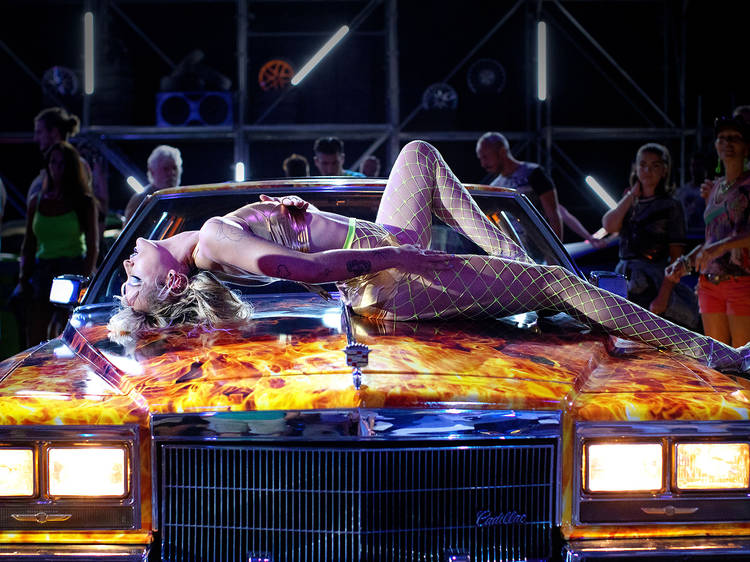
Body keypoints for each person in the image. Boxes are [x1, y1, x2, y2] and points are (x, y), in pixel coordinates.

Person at [109, 140, 750, 373]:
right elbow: (301, 271)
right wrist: (408, 262)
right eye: (133, 283)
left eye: (126, 279)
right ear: (170, 286)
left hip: (382, 258)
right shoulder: (215, 240)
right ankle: (717, 353)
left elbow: (297, 254)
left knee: (417, 154)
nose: (130, 266)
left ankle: (513, 263)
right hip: (390, 280)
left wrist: (290, 217)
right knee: (558, 283)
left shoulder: (216, 237)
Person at [666, 116, 750, 347]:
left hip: (741, 281)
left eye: (735, 138)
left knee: (742, 362)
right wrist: (685, 262)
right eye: (722, 138)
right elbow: (711, 240)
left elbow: (720, 243)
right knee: (717, 362)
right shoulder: (715, 188)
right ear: (715, 145)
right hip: (709, 283)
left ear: (746, 147)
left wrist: (719, 246)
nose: (727, 143)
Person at [601, 143, 699, 331]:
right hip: (624, 280)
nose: (647, 171)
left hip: (653, 281)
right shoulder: (630, 202)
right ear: (635, 168)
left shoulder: (671, 206)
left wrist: (663, 297)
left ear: (664, 170)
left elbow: (676, 256)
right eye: (643, 165)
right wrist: (631, 195)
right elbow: (609, 225)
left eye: (655, 165)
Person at [17, 141, 99, 345]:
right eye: (53, 163)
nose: (57, 168)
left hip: (71, 269)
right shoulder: (37, 201)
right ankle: (34, 372)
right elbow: (29, 242)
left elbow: (92, 246)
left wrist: (85, 281)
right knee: (34, 331)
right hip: (42, 270)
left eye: (62, 164)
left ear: (71, 168)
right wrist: (23, 278)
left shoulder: (84, 202)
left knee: (65, 333)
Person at [476, 132, 602, 246]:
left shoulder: (533, 173)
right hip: (517, 253)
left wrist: (555, 253)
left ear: (502, 152)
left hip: (541, 250)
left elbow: (555, 213)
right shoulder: (494, 186)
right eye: (480, 158)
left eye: (485, 157)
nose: (482, 164)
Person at [125, 145, 183, 221]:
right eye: (166, 169)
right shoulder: (141, 199)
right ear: (152, 172)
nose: (172, 173)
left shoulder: (181, 195)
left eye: (174, 168)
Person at [674, 151, 708, 238]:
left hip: (705, 236)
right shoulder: (681, 192)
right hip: (686, 236)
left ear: (705, 167)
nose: (695, 169)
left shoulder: (712, 191)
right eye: (693, 165)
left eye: (699, 165)